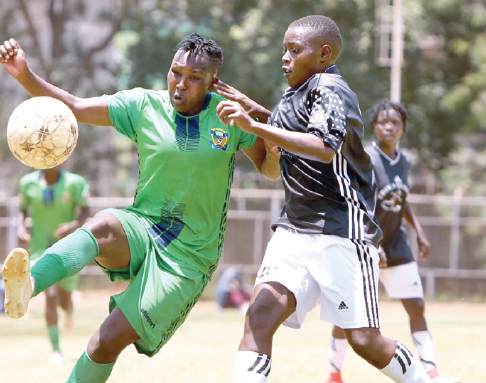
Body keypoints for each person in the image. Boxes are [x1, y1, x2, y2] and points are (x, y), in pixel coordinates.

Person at [0, 32, 280, 383]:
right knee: (102, 224)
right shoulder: (143, 105)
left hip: (189, 256)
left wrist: (272, 148)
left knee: (103, 344)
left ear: (212, 83)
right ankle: (28, 285)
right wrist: (24, 74)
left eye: (194, 79)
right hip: (142, 226)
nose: (181, 84)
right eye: (176, 72)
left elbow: (268, 171)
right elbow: (75, 107)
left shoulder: (229, 116)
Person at [216, 15, 434, 383]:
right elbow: (294, 131)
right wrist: (254, 108)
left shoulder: (330, 88)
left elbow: (322, 147)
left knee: (365, 340)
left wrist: (254, 126)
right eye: (284, 49)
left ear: (324, 53)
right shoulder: (298, 90)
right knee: (259, 316)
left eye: (295, 49)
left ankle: (423, 380)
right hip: (294, 227)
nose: (284, 57)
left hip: (339, 230)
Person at [325, 100, 460, 383]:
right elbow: (359, 202)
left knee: (416, 307)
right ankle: (334, 372)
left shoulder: (405, 160)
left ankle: (431, 371)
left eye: (395, 122)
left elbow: (401, 198)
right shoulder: (367, 158)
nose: (389, 126)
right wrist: (375, 242)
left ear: (402, 128)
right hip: (366, 244)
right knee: (348, 315)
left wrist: (419, 231)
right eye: (383, 122)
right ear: (374, 127)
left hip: (397, 244)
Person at [17, 165, 90, 364]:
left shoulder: (74, 183)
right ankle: (56, 350)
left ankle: (69, 311)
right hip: (40, 247)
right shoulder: (27, 183)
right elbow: (22, 210)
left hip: (67, 248)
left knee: (63, 299)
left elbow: (86, 211)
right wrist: (21, 226)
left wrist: (72, 226)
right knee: (49, 293)